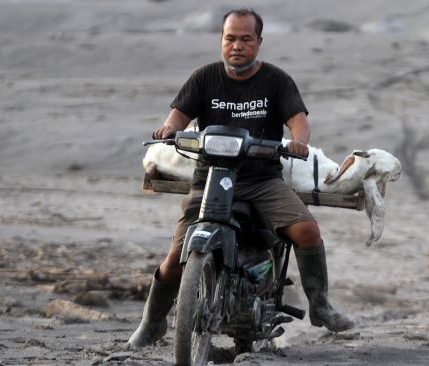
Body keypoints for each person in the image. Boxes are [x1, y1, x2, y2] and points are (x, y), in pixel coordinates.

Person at [127, 8, 354, 348]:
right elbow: (176, 117)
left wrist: (298, 142)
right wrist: (169, 129)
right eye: (230, 38)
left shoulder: (276, 80)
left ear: (259, 42)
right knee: (175, 259)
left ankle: (320, 306)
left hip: (261, 180)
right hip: (210, 178)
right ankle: (152, 322)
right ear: (221, 40)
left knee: (307, 230)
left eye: (245, 39)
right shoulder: (204, 78)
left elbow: (298, 120)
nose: (237, 45)